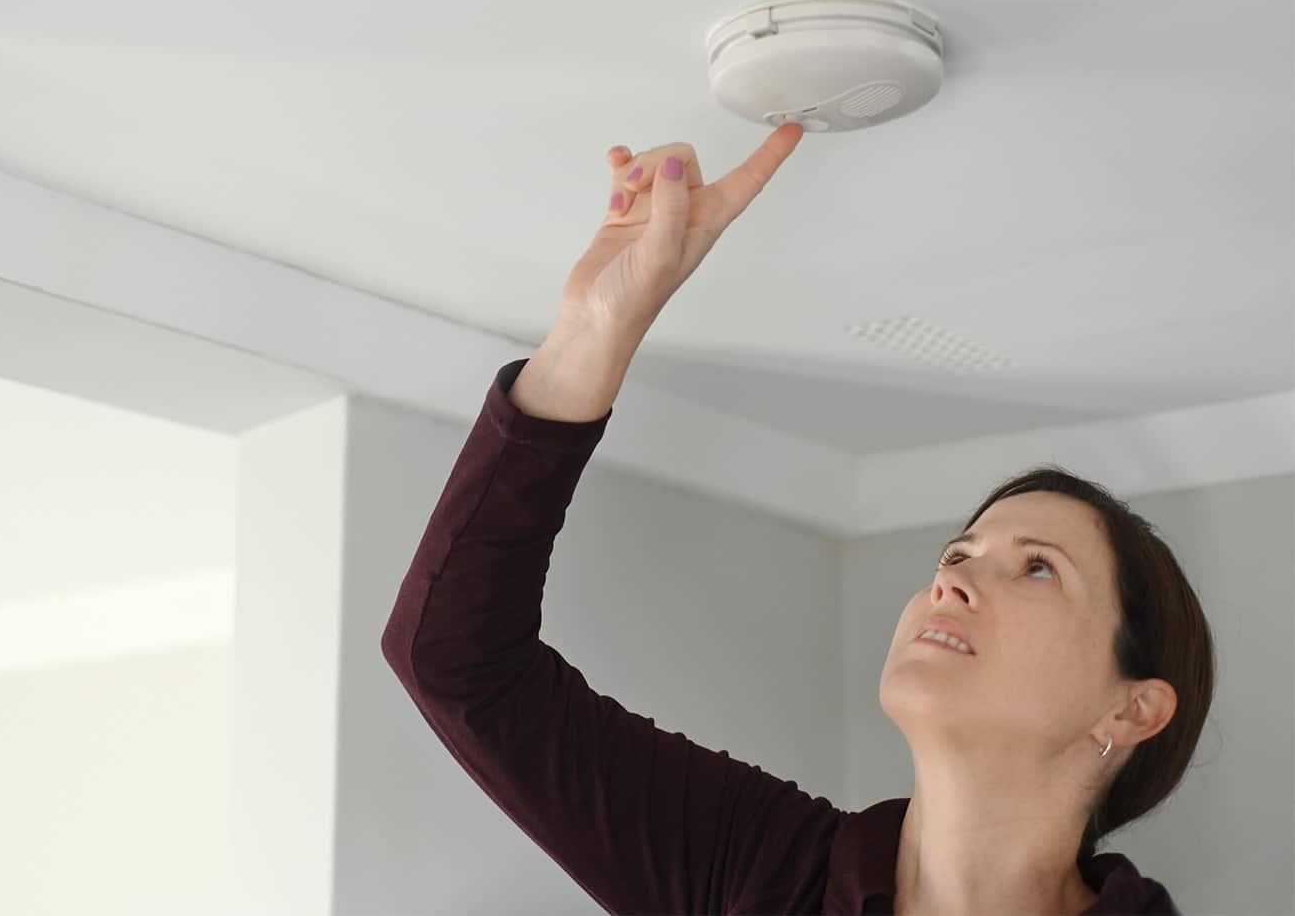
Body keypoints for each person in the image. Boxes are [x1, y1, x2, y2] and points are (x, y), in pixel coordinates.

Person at [381, 124, 1212, 914]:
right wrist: (593, 332)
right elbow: (458, 660)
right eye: (958, 553)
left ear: (1131, 711)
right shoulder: (755, 869)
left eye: (1036, 566)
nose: (951, 579)